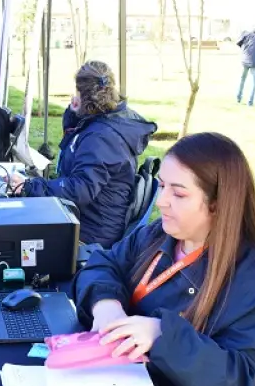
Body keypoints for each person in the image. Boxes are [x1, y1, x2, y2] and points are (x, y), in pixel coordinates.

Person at [72, 131, 255, 386]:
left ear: (218, 204)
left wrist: (162, 335)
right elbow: (104, 263)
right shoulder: (160, 235)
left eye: (178, 193)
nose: (162, 200)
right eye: (162, 186)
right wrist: (107, 304)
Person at [11, 61, 156, 247]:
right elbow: (72, 142)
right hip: (89, 218)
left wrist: (31, 187)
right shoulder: (107, 118)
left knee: (17, 230)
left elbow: (80, 189)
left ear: (84, 95)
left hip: (91, 233)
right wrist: (73, 111)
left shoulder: (101, 137)